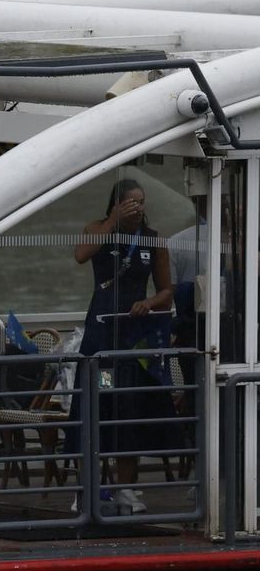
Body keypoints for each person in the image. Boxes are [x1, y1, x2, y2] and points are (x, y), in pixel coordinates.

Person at [75, 178, 176, 513]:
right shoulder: (98, 229)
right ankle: (88, 486)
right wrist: (113, 222)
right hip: (101, 335)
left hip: (133, 339)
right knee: (98, 404)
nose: (138, 208)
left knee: (128, 409)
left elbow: (166, 292)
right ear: (116, 204)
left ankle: (126, 487)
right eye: (131, 202)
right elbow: (81, 254)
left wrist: (149, 302)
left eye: (141, 202)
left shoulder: (154, 240)